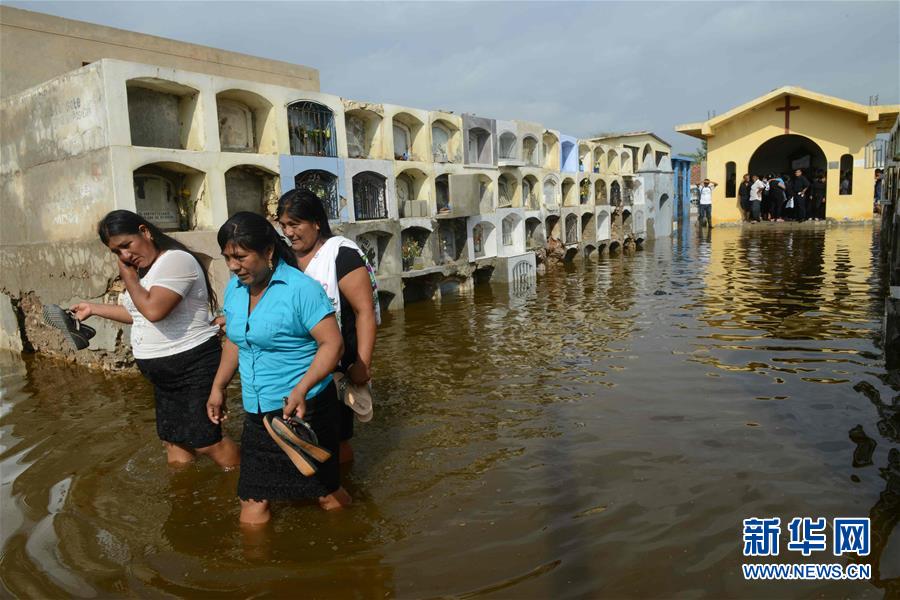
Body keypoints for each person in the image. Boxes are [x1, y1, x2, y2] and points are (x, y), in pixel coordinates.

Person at [207, 211, 349, 524]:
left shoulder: (301, 289)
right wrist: (218, 387)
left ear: (268, 251)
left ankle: (354, 548)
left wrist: (301, 388)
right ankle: (255, 569)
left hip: (303, 411)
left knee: (325, 494)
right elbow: (235, 340)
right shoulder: (236, 288)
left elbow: (332, 344)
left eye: (241, 257)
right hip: (258, 415)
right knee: (252, 503)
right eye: (228, 258)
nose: (233, 266)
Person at [70, 210, 239, 468]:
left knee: (207, 441)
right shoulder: (146, 271)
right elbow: (138, 313)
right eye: (116, 252)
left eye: (127, 245)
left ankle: (250, 488)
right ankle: (182, 499)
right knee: (174, 441)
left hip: (193, 365)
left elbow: (154, 311)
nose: (125, 256)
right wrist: (93, 309)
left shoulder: (176, 261)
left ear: (145, 232)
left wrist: (127, 275)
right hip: (164, 375)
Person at [275, 189, 380, 464]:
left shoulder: (340, 255)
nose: (289, 232)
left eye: (295, 224)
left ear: (316, 223)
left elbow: (364, 311)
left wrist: (362, 365)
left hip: (336, 365)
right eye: (284, 225)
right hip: (298, 363)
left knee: (337, 439)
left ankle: (342, 488)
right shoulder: (285, 259)